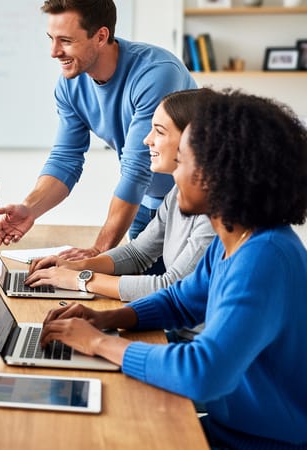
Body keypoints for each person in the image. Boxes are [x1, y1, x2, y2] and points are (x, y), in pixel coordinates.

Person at [40, 90, 307, 449]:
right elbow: (181, 302)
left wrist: (99, 343)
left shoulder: (264, 259)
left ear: (216, 175)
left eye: (182, 162)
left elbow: (202, 373)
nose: (175, 174)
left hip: (274, 442)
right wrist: (108, 318)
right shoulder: (235, 237)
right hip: (239, 427)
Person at [0, 0, 197, 261]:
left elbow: (137, 168)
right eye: (50, 38)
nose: (54, 51)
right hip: (145, 205)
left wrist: (98, 251)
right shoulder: (70, 86)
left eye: (65, 40)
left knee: (177, 296)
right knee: (133, 292)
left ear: (100, 37)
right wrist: (30, 208)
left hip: (193, 206)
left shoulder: (155, 74)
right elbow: (66, 159)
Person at [25, 89, 216, 311]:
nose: (147, 140)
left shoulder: (217, 210)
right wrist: (75, 266)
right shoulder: (178, 193)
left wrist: (81, 280)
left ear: (193, 140)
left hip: (192, 339)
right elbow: (137, 253)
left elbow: (170, 286)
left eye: (159, 132)